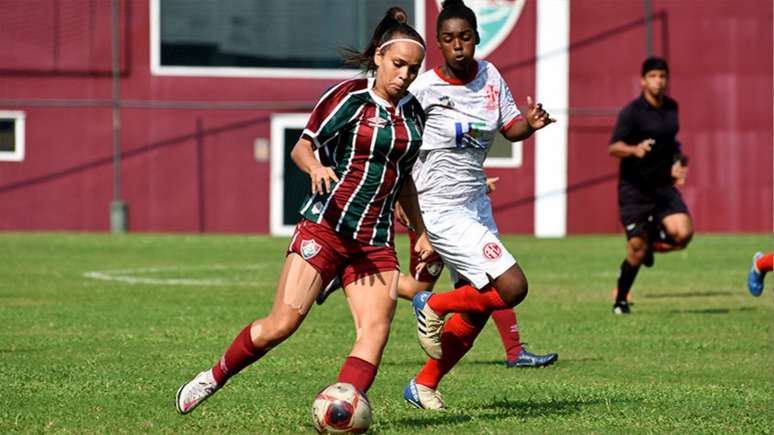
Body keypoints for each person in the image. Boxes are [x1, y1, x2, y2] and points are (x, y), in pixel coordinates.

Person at [174, 7, 431, 415]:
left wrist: (420, 231)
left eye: (413, 70)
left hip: (375, 239)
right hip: (326, 227)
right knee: (282, 325)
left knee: (375, 331)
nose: (404, 75)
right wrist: (315, 167)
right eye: (398, 64)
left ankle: (341, 410)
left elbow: (404, 177)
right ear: (379, 58)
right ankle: (214, 376)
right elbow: (302, 146)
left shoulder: (415, 114)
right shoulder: (349, 98)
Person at [401, 0, 555, 410]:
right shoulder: (422, 90)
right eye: (449, 39)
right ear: (438, 43)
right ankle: (431, 304)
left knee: (481, 304)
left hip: (475, 205)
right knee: (512, 286)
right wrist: (406, 206)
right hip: (438, 208)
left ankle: (424, 384)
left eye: (465, 38)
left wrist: (530, 123)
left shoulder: (490, 76)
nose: (458, 46)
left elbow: (510, 127)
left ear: (476, 38)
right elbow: (400, 145)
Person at [394, 180, 558, 369]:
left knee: (491, 279)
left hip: (457, 215)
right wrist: (402, 198)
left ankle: (514, 352)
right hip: (431, 219)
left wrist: (475, 183)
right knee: (416, 288)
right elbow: (409, 162)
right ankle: (361, 281)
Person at [608, 57, 693, 315]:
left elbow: (674, 143)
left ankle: (650, 242)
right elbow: (614, 147)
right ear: (643, 80)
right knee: (635, 250)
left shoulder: (672, 108)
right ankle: (620, 299)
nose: (658, 81)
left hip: (662, 187)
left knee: (683, 233)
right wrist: (634, 149)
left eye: (662, 76)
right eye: (653, 76)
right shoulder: (632, 112)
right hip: (635, 189)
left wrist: (678, 163)